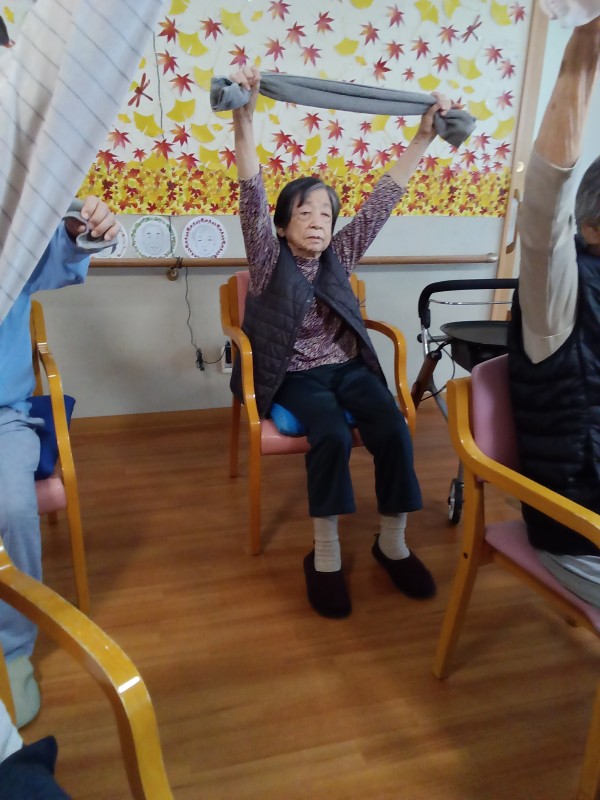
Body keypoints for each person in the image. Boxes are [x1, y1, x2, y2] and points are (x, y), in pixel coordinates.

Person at [230, 65, 456, 619]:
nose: (317, 221)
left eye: (326, 213)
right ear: (282, 225)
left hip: (348, 368)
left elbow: (382, 201)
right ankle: (325, 554)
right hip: (295, 376)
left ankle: (392, 543)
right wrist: (244, 118)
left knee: (392, 425)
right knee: (329, 433)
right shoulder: (267, 261)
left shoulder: (340, 255)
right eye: (304, 212)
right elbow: (251, 194)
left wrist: (423, 139)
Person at [0, 196, 119, 728]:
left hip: (4, 414)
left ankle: (11, 649)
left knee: (12, 507)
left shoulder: (9, 234)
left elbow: (53, 256)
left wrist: (76, 231)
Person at [507, 17, 600, 607]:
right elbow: (544, 209)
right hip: (579, 526)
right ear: (592, 225)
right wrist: (584, 46)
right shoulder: (561, 292)